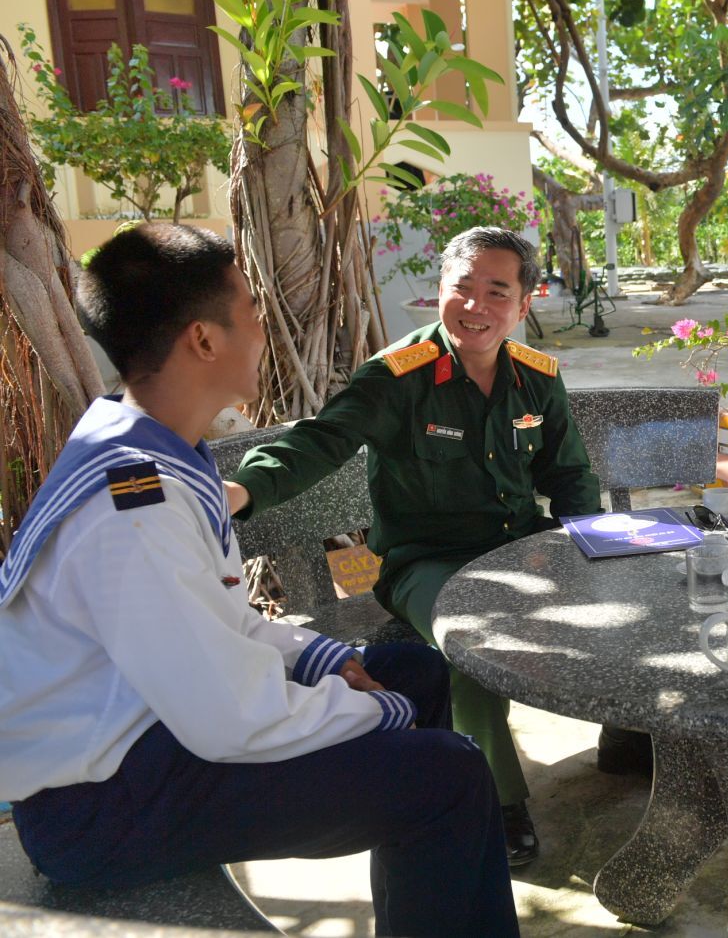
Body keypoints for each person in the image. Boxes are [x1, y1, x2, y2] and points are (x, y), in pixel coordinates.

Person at [0, 224, 516, 938]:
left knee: (416, 671)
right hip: (102, 802)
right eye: (250, 312)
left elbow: (219, 622)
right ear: (203, 340)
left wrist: (328, 661)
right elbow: (230, 716)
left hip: (150, 728)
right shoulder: (133, 507)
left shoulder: (151, 448)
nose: (263, 330)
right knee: (448, 774)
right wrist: (375, 712)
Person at [223, 227, 645, 867]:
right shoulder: (398, 376)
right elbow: (321, 440)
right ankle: (496, 799)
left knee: (634, 597)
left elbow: (569, 476)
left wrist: (590, 550)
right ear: (440, 290)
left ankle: (626, 733)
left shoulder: (536, 377)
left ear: (522, 305)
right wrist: (244, 489)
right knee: (471, 642)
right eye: (462, 288)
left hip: (519, 549)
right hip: (426, 563)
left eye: (496, 292)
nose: (475, 306)